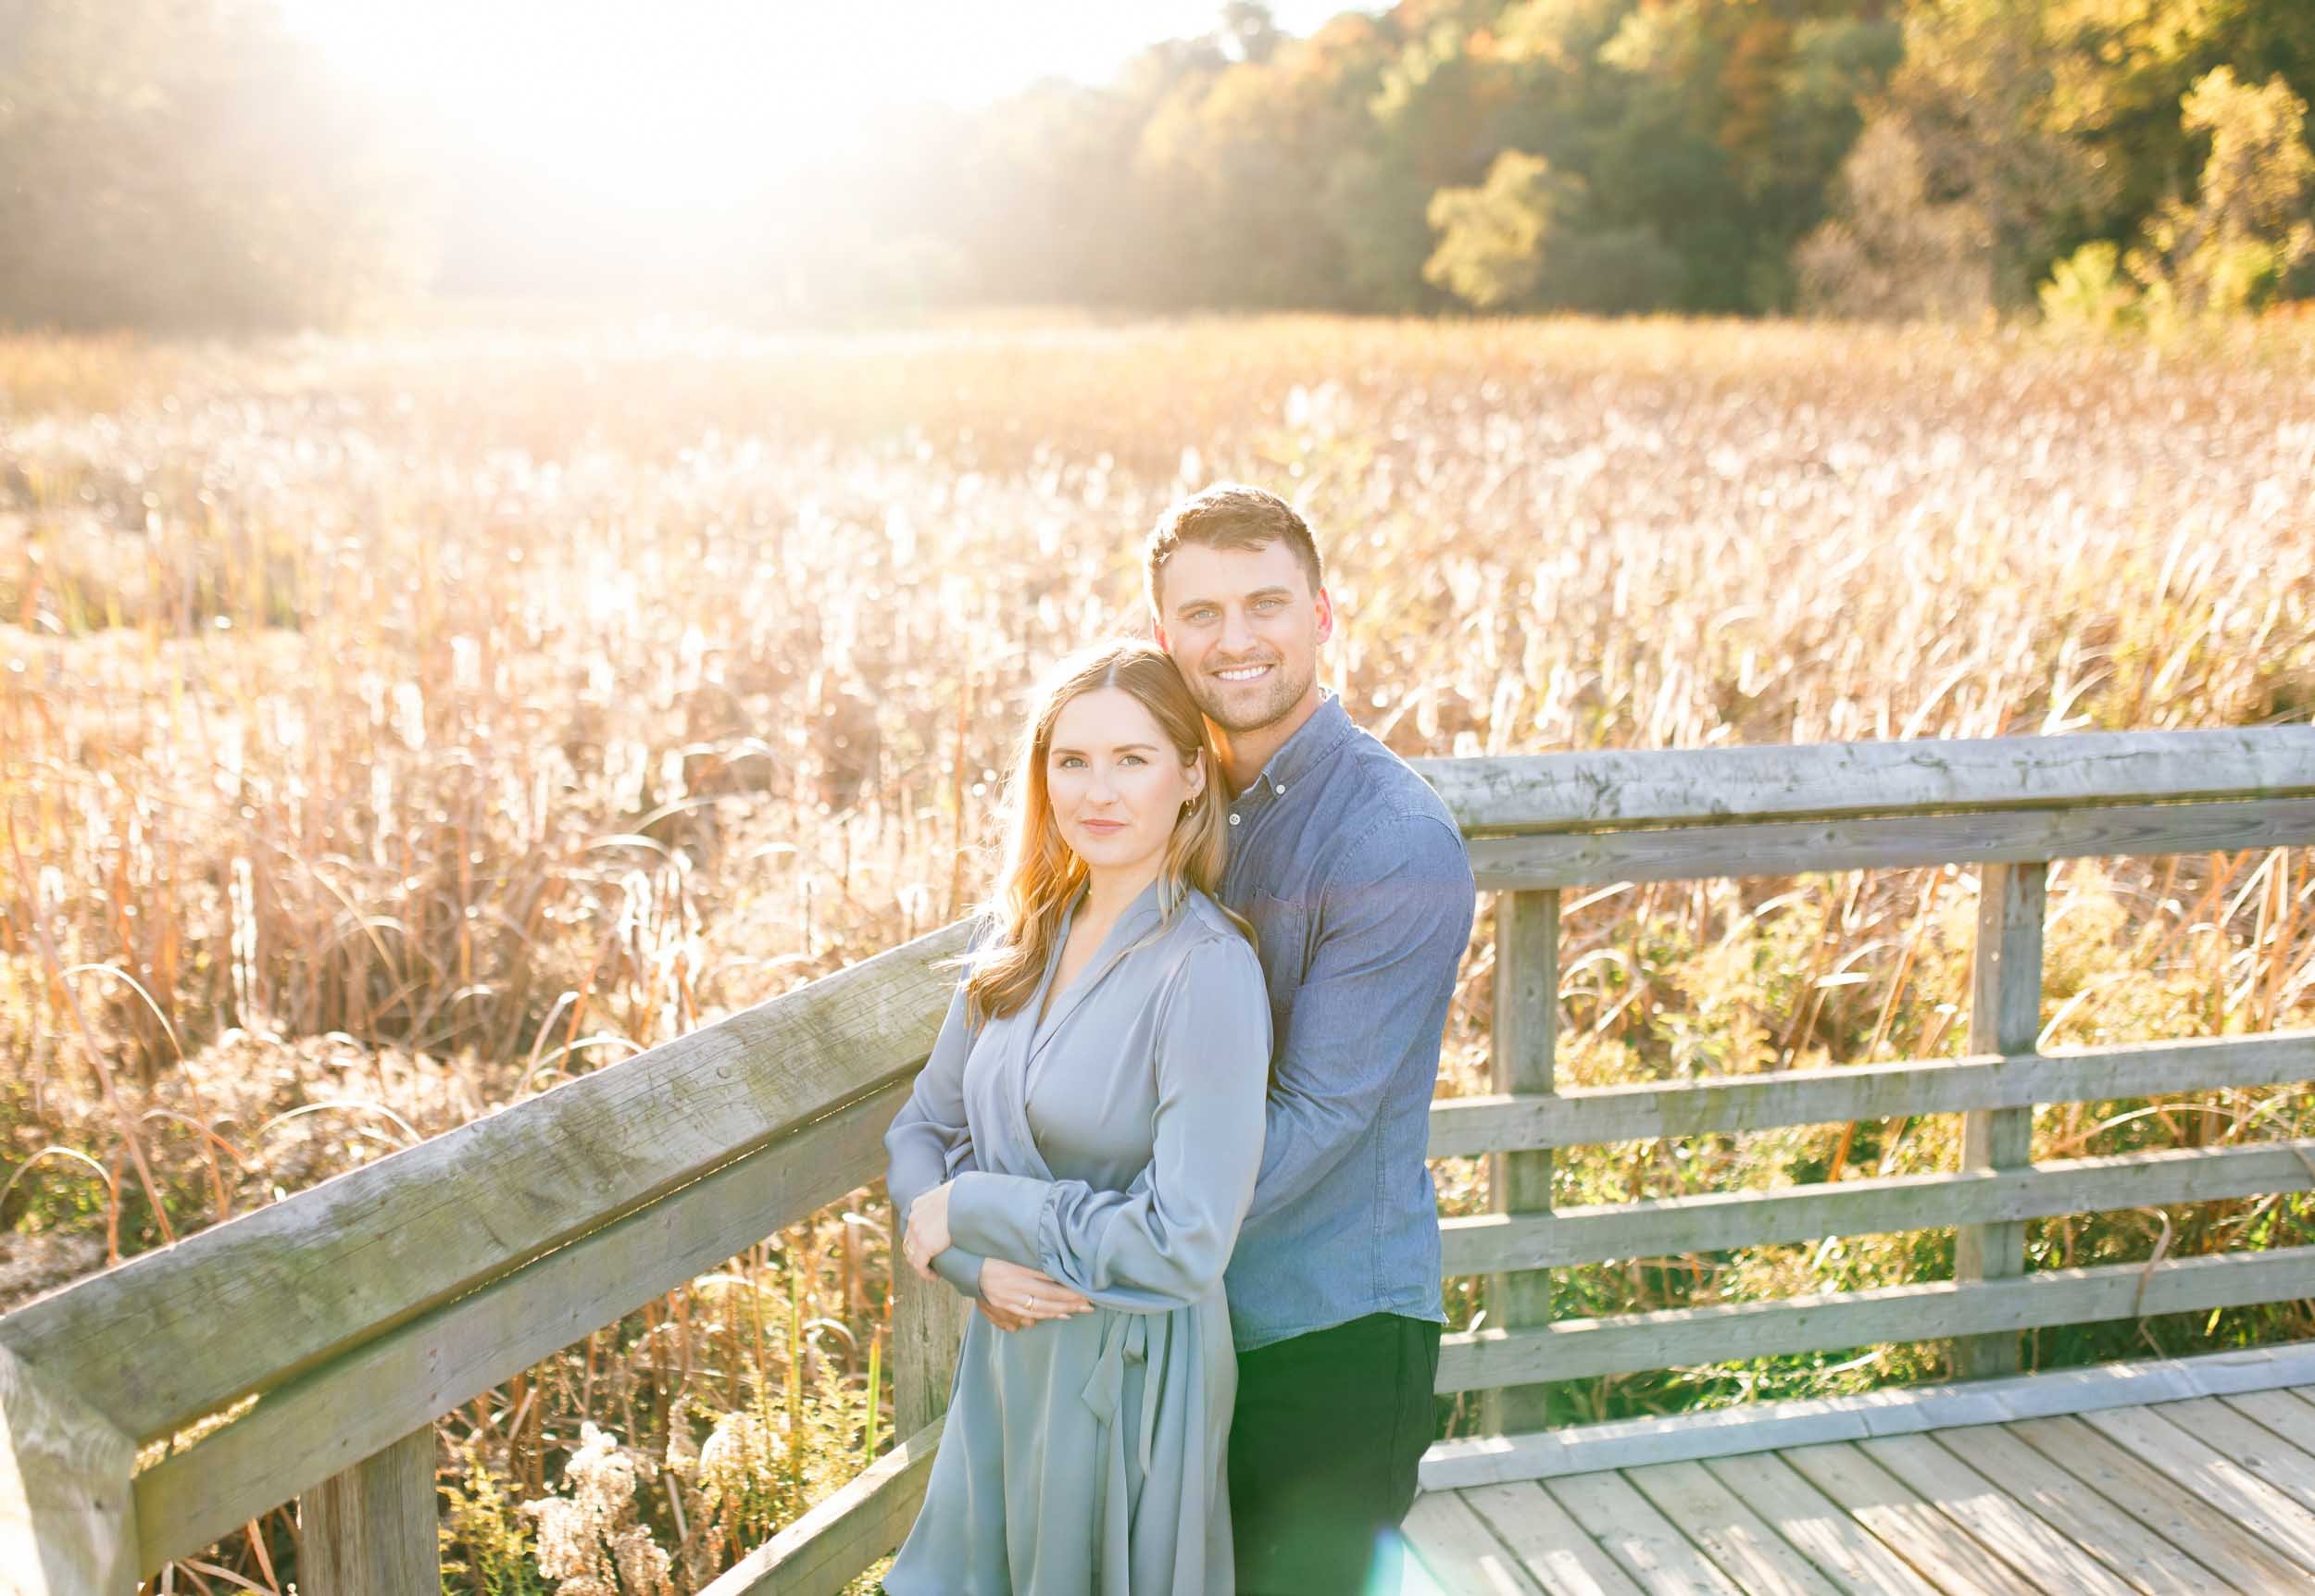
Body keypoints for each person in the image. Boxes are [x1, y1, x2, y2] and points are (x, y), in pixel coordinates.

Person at [882, 638, 1273, 1595]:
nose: (1096, 790)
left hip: (1126, 1373)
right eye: (1072, 759)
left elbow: (1185, 1241)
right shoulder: (1021, 937)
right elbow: (918, 1131)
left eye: (1131, 759)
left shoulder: (1207, 970)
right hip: (1007, 1354)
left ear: (1189, 776)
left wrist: (974, 1206)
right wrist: (973, 1267)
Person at [1147, 483, 1477, 1596]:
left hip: (1329, 1329)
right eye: (1200, 613)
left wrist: (1100, 1236)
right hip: (1190, 1326)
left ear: (1323, 615)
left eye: (1264, 603)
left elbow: (1321, 1116)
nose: (1234, 639)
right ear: (1162, 635)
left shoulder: (1389, 836)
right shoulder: (1172, 810)